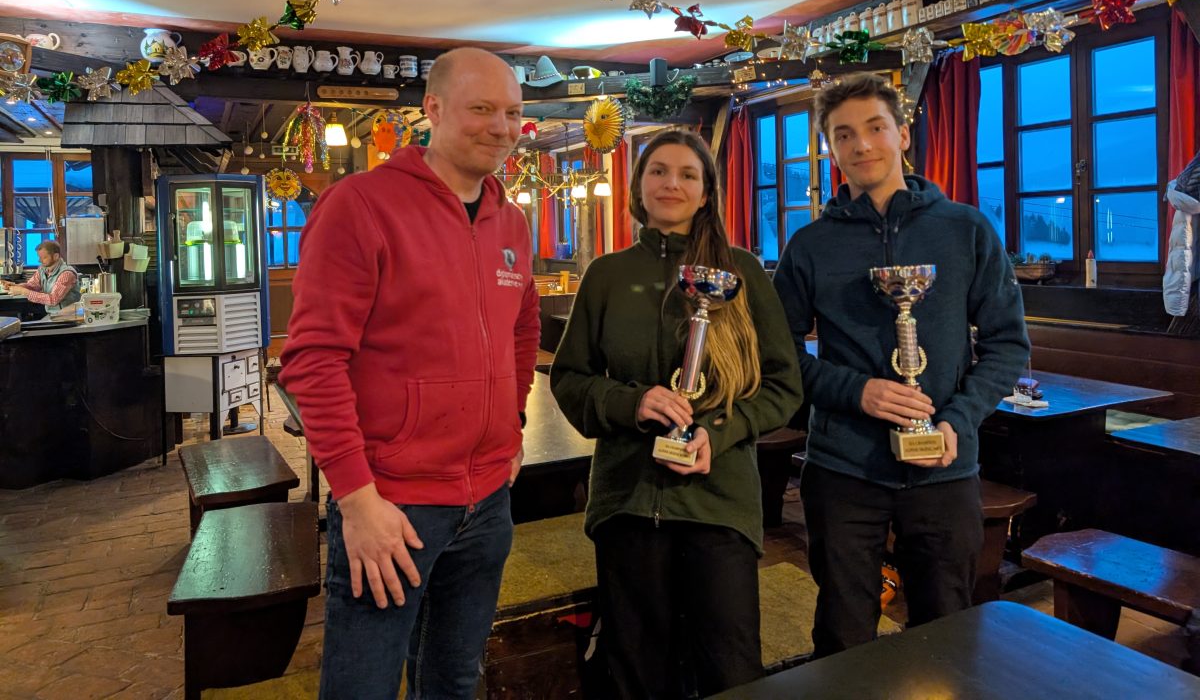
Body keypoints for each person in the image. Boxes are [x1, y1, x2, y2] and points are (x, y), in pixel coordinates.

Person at [279, 48, 540, 700]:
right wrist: (355, 498)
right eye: (482, 109)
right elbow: (312, 360)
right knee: (362, 688)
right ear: (433, 110)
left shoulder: (512, 220)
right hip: (391, 503)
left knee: (453, 682)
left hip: (488, 502)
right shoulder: (360, 204)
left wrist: (511, 422)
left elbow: (521, 329)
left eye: (512, 113)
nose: (501, 128)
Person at [772, 73, 1029, 657]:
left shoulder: (965, 229)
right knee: (843, 634)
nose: (861, 145)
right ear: (831, 149)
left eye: (875, 128)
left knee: (947, 630)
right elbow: (777, 356)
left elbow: (1008, 344)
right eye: (844, 135)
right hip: (843, 468)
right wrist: (855, 391)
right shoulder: (809, 245)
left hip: (944, 468)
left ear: (902, 134)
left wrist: (957, 420)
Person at [551, 129, 803, 698]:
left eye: (688, 174)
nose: (672, 183)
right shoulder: (606, 275)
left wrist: (719, 431)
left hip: (720, 502)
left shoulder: (742, 272)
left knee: (730, 670)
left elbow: (784, 386)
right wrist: (632, 402)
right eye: (658, 171)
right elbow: (569, 380)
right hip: (628, 499)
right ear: (638, 187)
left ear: (707, 192)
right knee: (637, 673)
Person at [1, 240, 80, 312]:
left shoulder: (66, 274)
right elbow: (32, 285)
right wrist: (15, 286)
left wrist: (23, 291)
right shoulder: (42, 269)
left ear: (56, 256)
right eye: (39, 257)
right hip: (53, 315)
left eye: (44, 258)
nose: (39, 260)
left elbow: (53, 299)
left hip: (68, 316)